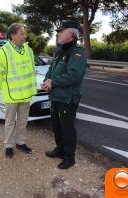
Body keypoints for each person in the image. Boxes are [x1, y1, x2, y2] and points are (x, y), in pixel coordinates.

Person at [42, 20, 87, 169]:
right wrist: (47, 80)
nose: (59, 34)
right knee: (56, 126)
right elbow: (51, 70)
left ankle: (69, 157)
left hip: (68, 98)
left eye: (62, 31)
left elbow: (73, 76)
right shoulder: (60, 51)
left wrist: (52, 82)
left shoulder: (78, 53)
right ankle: (60, 150)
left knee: (67, 128)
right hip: (55, 97)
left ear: (70, 34)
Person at [0, 23, 37, 159]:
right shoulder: (3, 51)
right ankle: (9, 146)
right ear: (13, 35)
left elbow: (31, 70)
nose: (25, 36)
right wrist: (5, 88)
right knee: (10, 122)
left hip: (26, 94)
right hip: (11, 95)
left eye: (24, 33)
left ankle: (21, 143)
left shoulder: (28, 49)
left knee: (23, 121)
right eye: (22, 33)